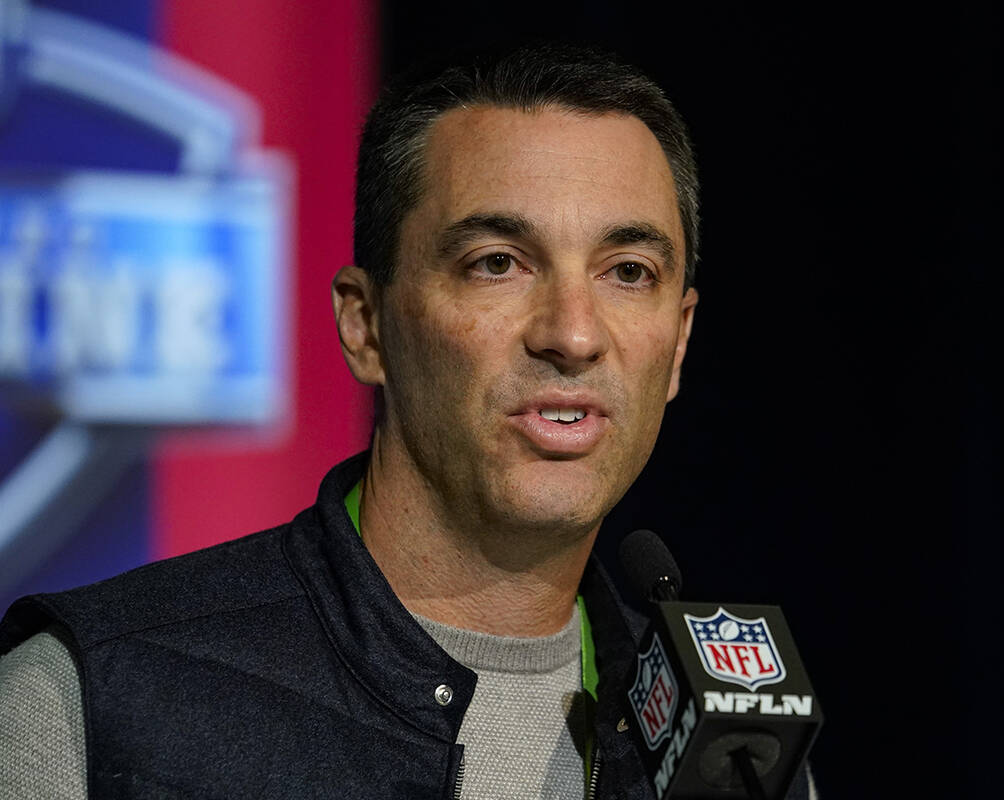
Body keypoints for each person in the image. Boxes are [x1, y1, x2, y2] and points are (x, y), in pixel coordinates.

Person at [0, 45, 814, 798]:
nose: (572, 333)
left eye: (628, 273)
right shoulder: (83, 707)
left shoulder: (737, 754)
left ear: (677, 345)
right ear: (366, 325)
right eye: (497, 263)